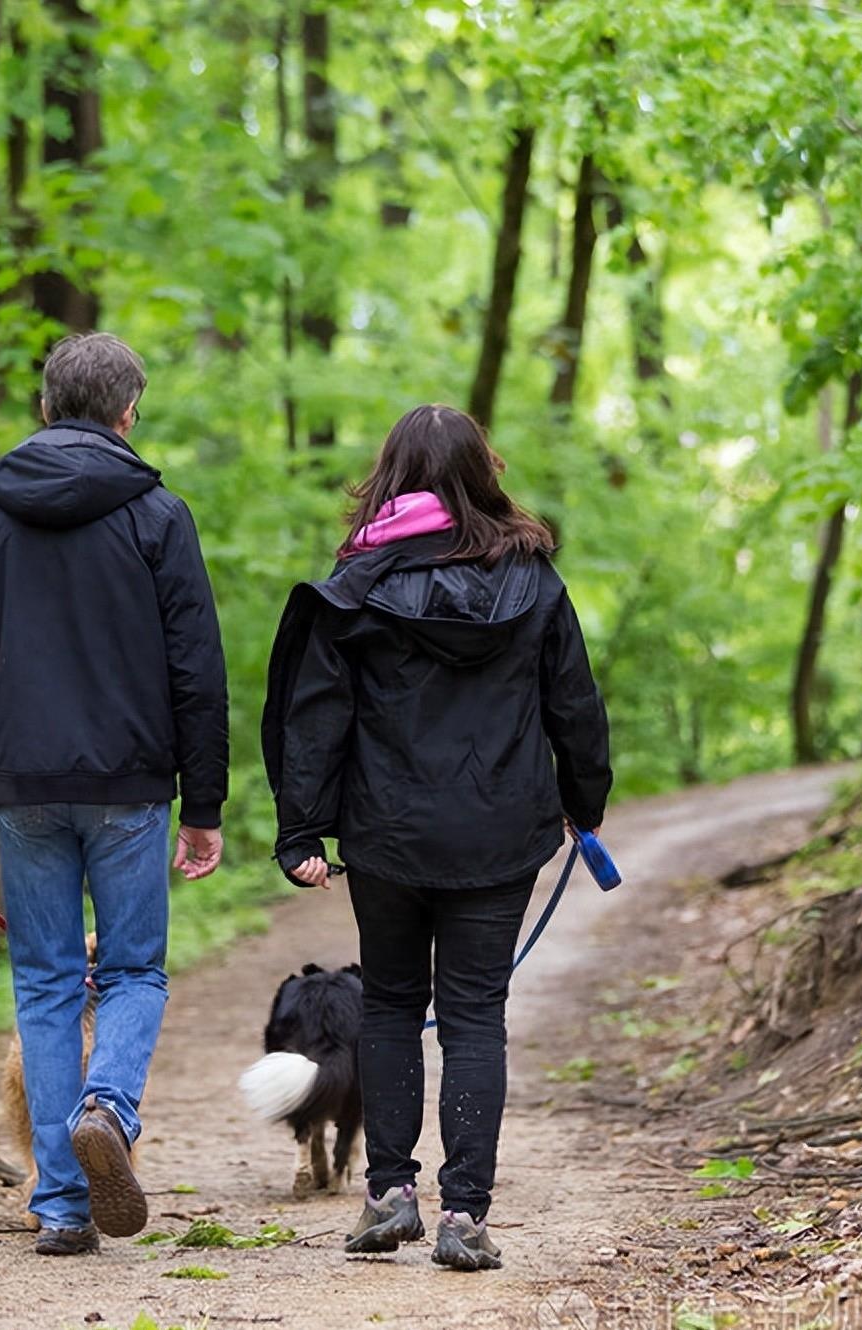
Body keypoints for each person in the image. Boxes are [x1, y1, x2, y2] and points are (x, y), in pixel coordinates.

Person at [262, 403, 611, 1272]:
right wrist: (584, 800)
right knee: (472, 1017)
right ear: (483, 473)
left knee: (389, 1006)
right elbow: (575, 704)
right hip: (500, 830)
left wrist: (303, 826)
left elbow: (315, 716)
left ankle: (388, 1195)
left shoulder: (357, 588)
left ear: (390, 475)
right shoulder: (536, 582)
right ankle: (466, 1215)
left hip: (387, 832)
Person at [0, 332, 228, 1255]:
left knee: (46, 984)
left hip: (20, 785)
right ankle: (109, 1109)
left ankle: (59, 1205)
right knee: (133, 970)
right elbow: (197, 671)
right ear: (127, 412)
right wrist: (204, 804)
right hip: (131, 783)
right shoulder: (158, 515)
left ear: (46, 408)